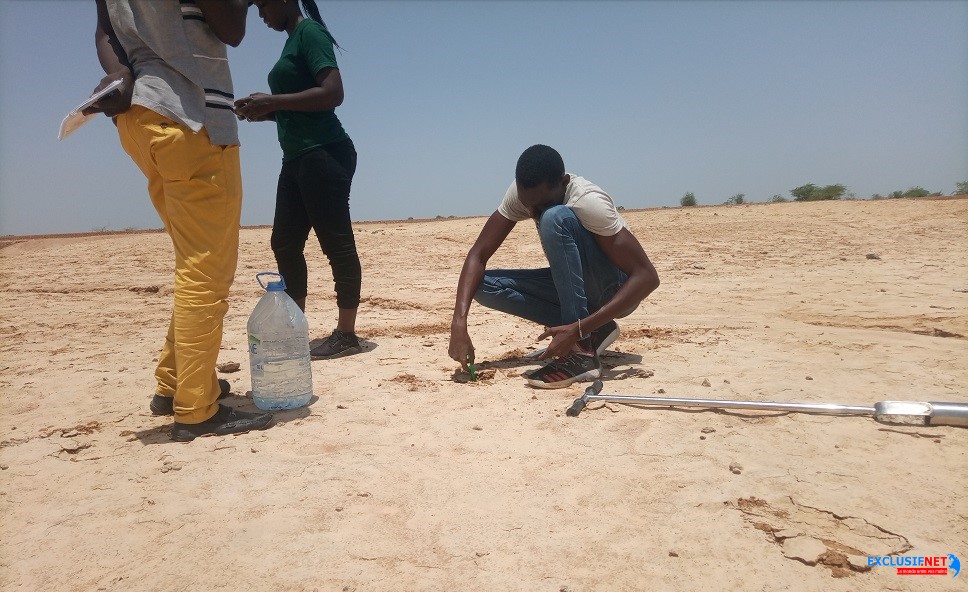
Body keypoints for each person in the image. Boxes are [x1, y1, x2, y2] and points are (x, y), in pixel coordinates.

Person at [88, 0, 273, 441]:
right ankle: (195, 408)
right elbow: (230, 28)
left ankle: (173, 386)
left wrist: (119, 73)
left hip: (139, 117)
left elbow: (104, 31)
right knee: (206, 271)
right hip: (190, 114)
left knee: (193, 263)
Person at [448, 145, 660, 389]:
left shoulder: (588, 201)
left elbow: (646, 276)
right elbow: (478, 255)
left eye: (542, 204)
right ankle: (596, 331)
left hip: (616, 289)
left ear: (564, 182)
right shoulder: (522, 195)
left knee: (554, 218)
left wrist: (578, 329)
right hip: (581, 291)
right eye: (529, 207)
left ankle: (581, 354)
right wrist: (459, 322)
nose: (534, 213)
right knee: (482, 286)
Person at [234, 0, 363, 360]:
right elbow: (302, 107)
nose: (261, 15)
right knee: (285, 242)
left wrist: (273, 100)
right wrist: (269, 113)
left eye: (262, 6)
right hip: (297, 157)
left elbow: (333, 93)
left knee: (335, 242)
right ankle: (296, 327)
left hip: (324, 152)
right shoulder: (292, 40)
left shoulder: (310, 33)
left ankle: (346, 334)